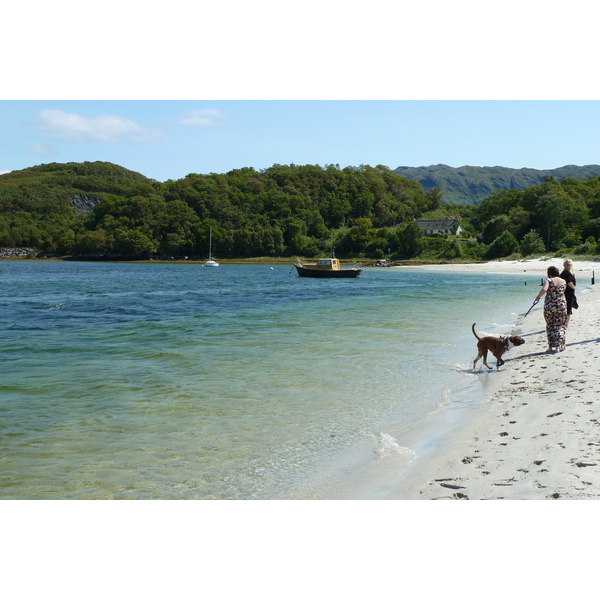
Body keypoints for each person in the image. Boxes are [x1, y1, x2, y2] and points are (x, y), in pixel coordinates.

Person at [534, 266, 567, 353]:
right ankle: (559, 346)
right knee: (560, 325)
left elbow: (544, 289)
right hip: (561, 305)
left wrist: (538, 297)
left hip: (550, 305)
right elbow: (563, 291)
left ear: (549, 273)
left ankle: (551, 346)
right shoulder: (563, 281)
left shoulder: (548, 280)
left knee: (550, 325)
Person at [560, 258, 577, 328]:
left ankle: (563, 323)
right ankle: (566, 324)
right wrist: (573, 287)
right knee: (568, 307)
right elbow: (569, 282)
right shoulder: (567, 273)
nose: (569, 266)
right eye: (568, 264)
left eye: (570, 264)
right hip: (568, 292)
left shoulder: (563, 273)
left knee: (564, 307)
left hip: (563, 292)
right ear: (565, 265)